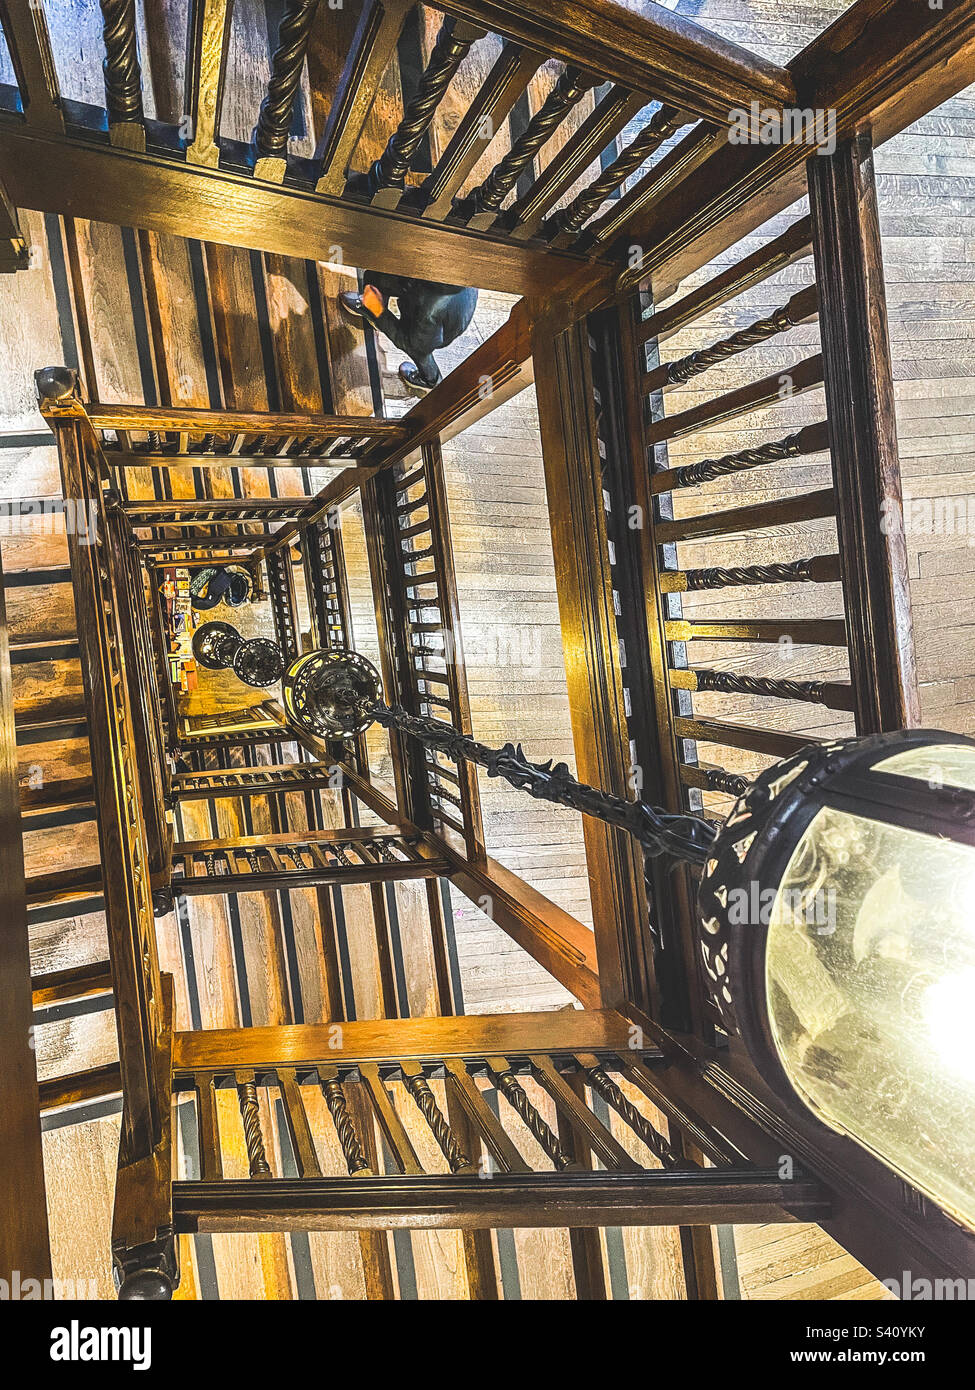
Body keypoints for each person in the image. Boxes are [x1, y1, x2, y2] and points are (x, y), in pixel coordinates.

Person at [340, 274, 478, 391]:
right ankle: (373, 303)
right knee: (379, 275)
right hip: (444, 287)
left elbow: (411, 343)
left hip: (438, 324)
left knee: (417, 350)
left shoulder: (430, 311)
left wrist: (379, 312)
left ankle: (430, 379)